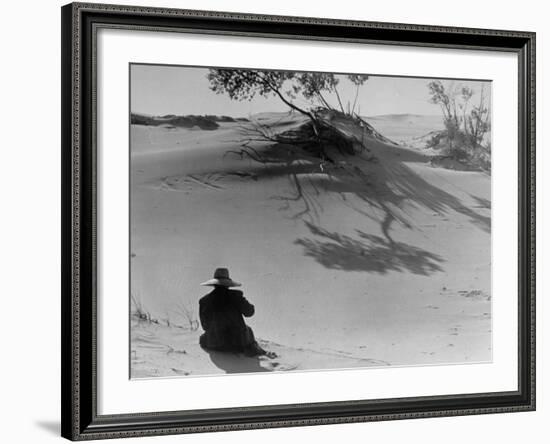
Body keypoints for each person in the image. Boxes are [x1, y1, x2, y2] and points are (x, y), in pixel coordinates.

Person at [198, 268, 267, 357]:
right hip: (236, 344)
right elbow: (250, 312)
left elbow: (205, 326)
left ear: (214, 284)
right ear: (228, 284)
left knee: (203, 337)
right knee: (248, 329)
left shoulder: (204, 301)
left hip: (213, 343)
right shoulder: (236, 297)